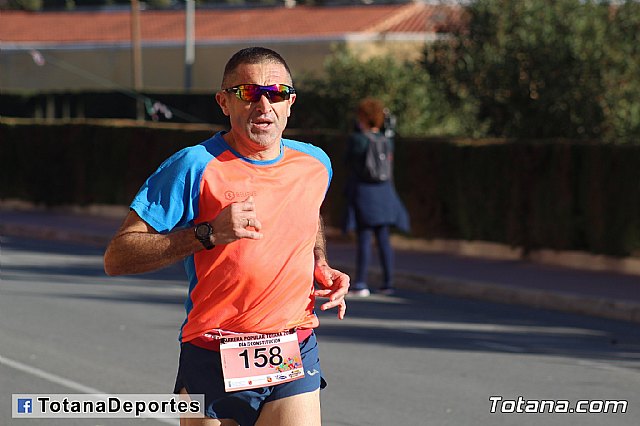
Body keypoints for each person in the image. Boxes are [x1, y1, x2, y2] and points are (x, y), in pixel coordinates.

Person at [103, 47, 350, 426]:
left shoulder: (315, 164)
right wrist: (207, 234)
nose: (263, 104)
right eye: (248, 93)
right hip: (212, 352)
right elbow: (118, 256)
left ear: (290, 103)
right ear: (224, 102)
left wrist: (318, 260)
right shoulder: (194, 165)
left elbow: (309, 210)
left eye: (276, 92)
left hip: (292, 346)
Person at [343, 97, 410, 297]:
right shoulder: (387, 141)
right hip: (385, 193)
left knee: (364, 238)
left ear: (362, 117)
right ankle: (388, 283)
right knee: (384, 240)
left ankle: (361, 283)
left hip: (365, 193)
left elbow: (347, 161)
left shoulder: (358, 140)